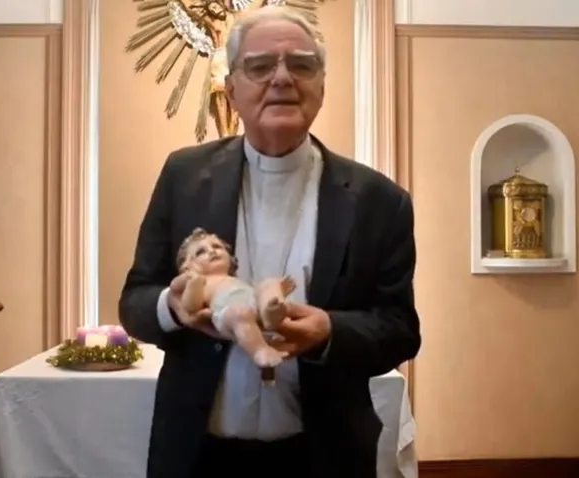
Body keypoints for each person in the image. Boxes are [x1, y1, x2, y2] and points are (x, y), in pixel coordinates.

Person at [118, 6, 420, 478]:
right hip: (198, 455)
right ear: (231, 89)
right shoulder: (183, 176)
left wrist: (329, 330)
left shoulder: (380, 201)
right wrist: (172, 307)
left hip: (323, 457)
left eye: (301, 64)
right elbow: (135, 300)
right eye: (260, 66)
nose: (282, 78)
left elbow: (400, 329)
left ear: (322, 85)